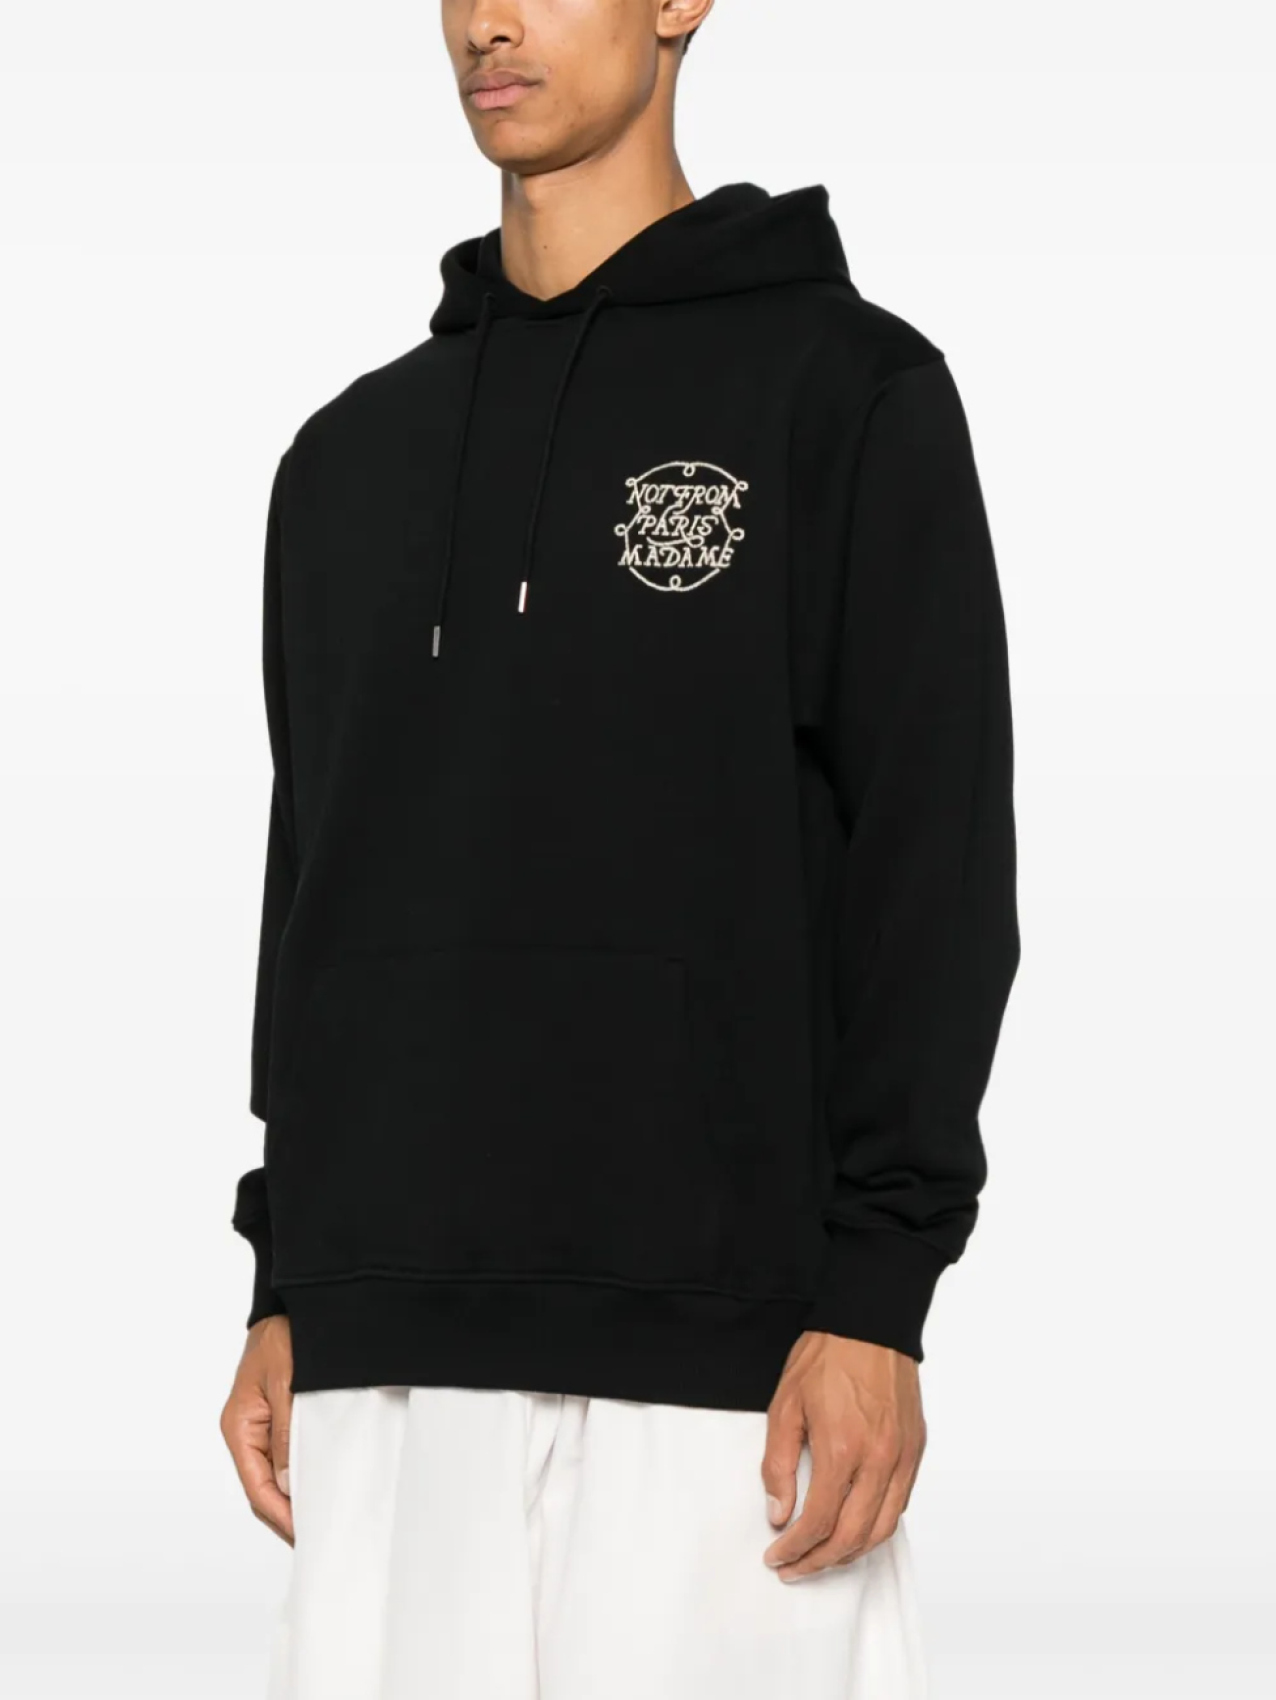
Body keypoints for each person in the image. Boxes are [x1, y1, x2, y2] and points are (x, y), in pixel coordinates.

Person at [219, 2, 1020, 1695]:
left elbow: (932, 874)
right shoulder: (344, 460)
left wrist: (879, 1292)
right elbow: (316, 886)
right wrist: (285, 1272)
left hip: (732, 1365)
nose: (488, 22)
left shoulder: (845, 393)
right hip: (385, 1356)